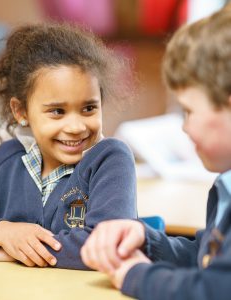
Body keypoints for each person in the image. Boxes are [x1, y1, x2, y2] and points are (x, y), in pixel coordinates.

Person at [0, 23, 137, 270]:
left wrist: (15, 254)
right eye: (57, 111)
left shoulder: (110, 159)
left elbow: (107, 244)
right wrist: (0, 231)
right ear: (21, 112)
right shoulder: (7, 160)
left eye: (89, 108)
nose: (75, 126)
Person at [81, 6, 231, 299]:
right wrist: (147, 241)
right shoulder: (225, 185)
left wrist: (136, 275)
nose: (184, 128)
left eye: (189, 111)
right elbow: (207, 259)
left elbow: (214, 289)